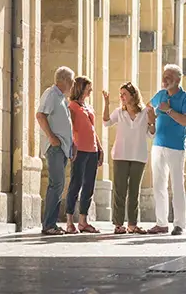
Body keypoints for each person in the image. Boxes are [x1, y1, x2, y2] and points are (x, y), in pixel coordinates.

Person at [102, 82, 156, 234]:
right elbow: (106, 122)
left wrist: (152, 121)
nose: (122, 97)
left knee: (134, 191)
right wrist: (106, 103)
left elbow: (151, 134)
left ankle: (132, 224)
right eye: (120, 94)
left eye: (124, 94)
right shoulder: (119, 112)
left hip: (139, 156)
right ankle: (118, 224)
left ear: (133, 95)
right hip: (120, 155)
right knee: (120, 191)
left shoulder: (145, 112)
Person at [148, 64, 186, 235]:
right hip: (158, 145)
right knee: (158, 185)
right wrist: (152, 118)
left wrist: (169, 110)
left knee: (177, 185)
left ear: (177, 80)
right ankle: (161, 223)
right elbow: (148, 107)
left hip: (176, 147)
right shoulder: (161, 95)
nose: (164, 80)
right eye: (164, 76)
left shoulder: (185, 98)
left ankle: (179, 224)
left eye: (168, 77)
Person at [37, 66, 75, 236]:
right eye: (72, 81)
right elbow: (40, 115)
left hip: (62, 148)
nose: (73, 85)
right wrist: (51, 137)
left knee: (59, 185)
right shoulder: (51, 94)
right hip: (54, 148)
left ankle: (51, 223)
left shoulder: (62, 99)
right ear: (64, 80)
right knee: (56, 184)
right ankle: (48, 225)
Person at [64, 76, 103, 234]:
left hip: (92, 151)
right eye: (88, 87)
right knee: (76, 184)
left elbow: (92, 129)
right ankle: (69, 222)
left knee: (89, 186)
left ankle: (83, 221)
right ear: (81, 88)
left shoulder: (88, 107)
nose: (91, 90)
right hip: (79, 150)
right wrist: (72, 145)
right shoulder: (72, 106)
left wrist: (100, 148)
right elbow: (69, 128)